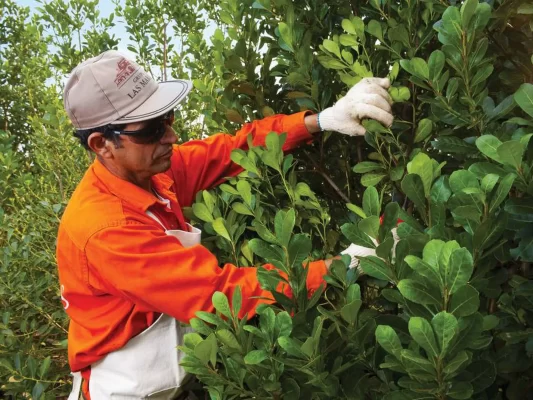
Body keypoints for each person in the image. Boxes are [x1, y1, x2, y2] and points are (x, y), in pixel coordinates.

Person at [57, 50, 393, 399]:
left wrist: (321, 120)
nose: (171, 136)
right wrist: (346, 264)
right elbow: (217, 295)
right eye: (153, 129)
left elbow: (231, 149)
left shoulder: (151, 173)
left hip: (177, 377)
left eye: (167, 118)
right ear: (102, 144)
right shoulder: (105, 229)